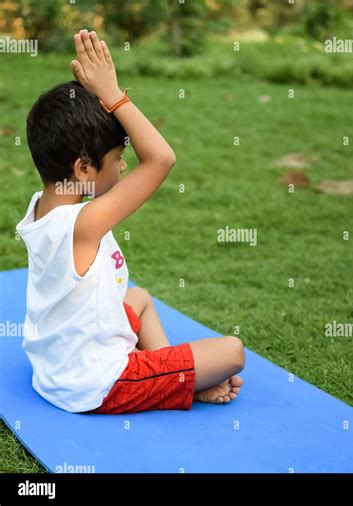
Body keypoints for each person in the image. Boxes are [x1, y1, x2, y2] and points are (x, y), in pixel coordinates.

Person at [15, 29, 245, 415]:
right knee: (231, 352)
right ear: (83, 168)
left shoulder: (44, 207)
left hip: (57, 367)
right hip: (98, 382)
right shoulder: (84, 224)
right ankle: (177, 383)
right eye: (119, 156)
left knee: (138, 299)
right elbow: (161, 159)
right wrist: (114, 94)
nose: (125, 165)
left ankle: (176, 379)